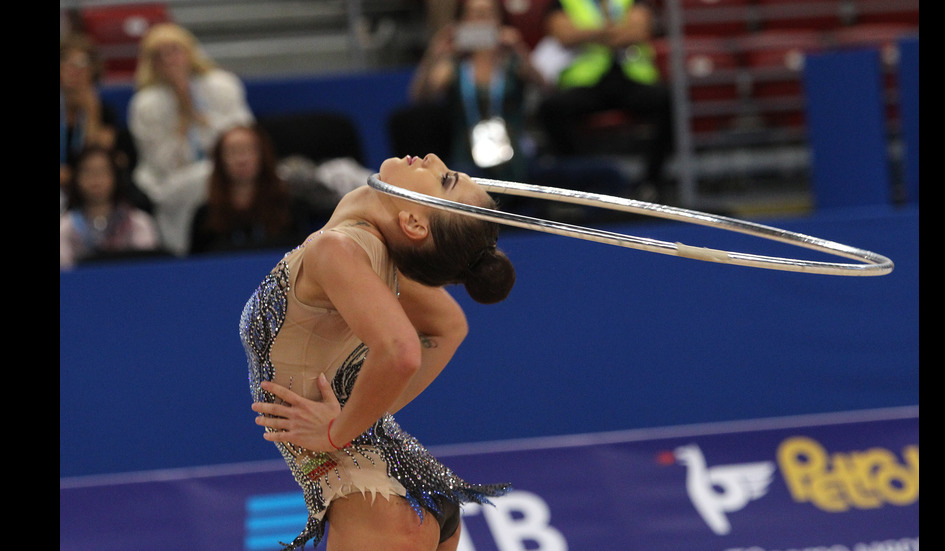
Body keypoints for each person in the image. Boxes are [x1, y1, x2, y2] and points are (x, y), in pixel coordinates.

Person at [242, 153, 516, 550]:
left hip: (372, 500)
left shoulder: (339, 250)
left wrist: (338, 433)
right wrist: (369, 414)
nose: (433, 159)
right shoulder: (373, 248)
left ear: (415, 223)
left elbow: (402, 351)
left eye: (444, 180)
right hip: (405, 486)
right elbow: (447, 327)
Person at [128, 22, 254, 257]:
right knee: (205, 177)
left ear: (189, 52)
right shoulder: (145, 104)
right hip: (169, 181)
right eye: (160, 55)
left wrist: (199, 117)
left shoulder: (222, 85)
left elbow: (244, 139)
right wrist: (183, 124)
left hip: (227, 169)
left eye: (175, 50)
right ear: (151, 63)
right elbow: (161, 164)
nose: (170, 59)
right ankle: (180, 252)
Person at [535, 0, 673, 193]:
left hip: (630, 79)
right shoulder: (564, 3)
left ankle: (651, 183)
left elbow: (640, 31)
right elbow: (564, 35)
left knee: (669, 100)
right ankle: (582, 184)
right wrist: (614, 31)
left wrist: (587, 33)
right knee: (551, 108)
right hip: (587, 83)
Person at [408, 0, 546, 183]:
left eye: (487, 14)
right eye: (473, 14)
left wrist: (519, 48)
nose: (480, 21)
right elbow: (420, 97)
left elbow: (545, 87)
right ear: (461, 21)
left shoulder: (513, 62)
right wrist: (435, 52)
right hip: (467, 158)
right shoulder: (453, 67)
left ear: (500, 20)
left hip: (515, 153)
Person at [189, 124, 311, 255]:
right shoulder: (205, 216)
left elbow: (302, 258)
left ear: (263, 155)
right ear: (220, 161)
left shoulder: (288, 207)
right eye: (232, 152)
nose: (242, 159)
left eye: (248, 150)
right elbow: (195, 267)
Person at [60, 145, 162, 270]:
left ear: (115, 176)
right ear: (76, 178)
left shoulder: (139, 223)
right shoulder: (65, 227)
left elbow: (149, 268)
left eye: (102, 171)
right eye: (87, 172)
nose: (95, 179)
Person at [60, 33, 129, 198]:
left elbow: (100, 158)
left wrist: (92, 113)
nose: (74, 70)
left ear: (93, 69)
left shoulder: (105, 111)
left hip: (89, 188)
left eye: (82, 63)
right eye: (67, 62)